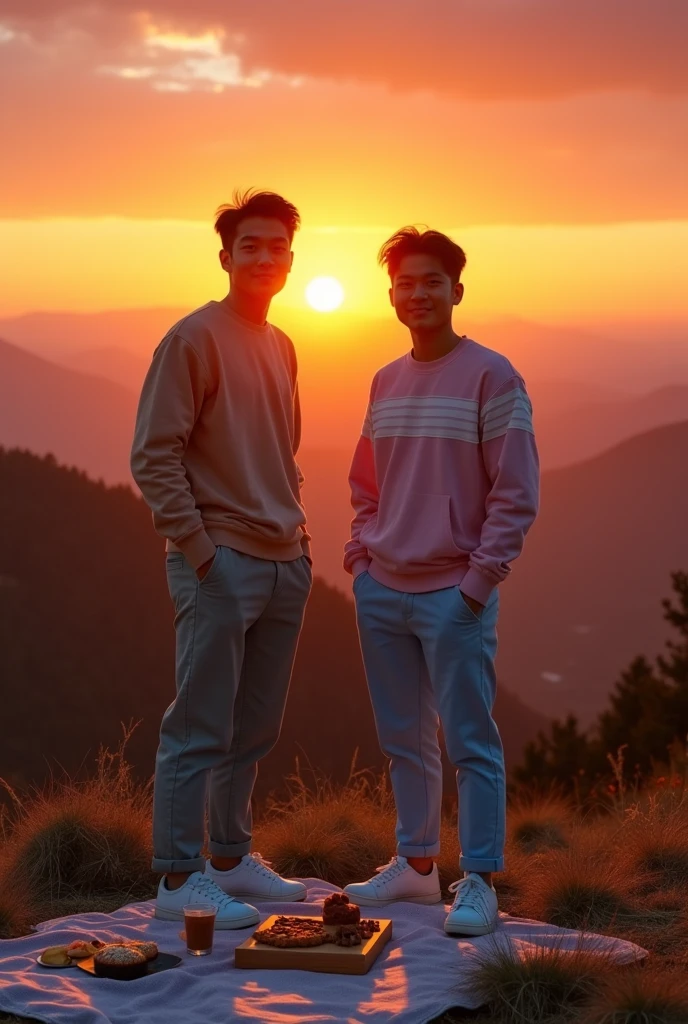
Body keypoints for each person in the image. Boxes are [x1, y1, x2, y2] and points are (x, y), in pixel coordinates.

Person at [343, 227, 539, 935]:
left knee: (469, 739)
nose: (417, 294)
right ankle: (418, 868)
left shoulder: (494, 376)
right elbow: (366, 482)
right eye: (404, 283)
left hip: (454, 592)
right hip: (382, 587)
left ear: (458, 289)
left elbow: (515, 494)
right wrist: (361, 558)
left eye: (432, 281)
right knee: (403, 738)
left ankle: (479, 878)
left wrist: (476, 586)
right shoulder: (385, 380)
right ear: (391, 295)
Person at [131, 190, 313, 928]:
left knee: (254, 728)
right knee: (199, 725)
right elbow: (153, 454)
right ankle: (177, 880)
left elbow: (283, 449)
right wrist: (201, 552)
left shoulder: (281, 343)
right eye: (251, 245)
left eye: (278, 247)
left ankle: (231, 859)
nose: (265, 257)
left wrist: (296, 536)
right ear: (226, 256)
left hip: (283, 559)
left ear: (291, 260)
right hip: (220, 563)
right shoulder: (192, 339)